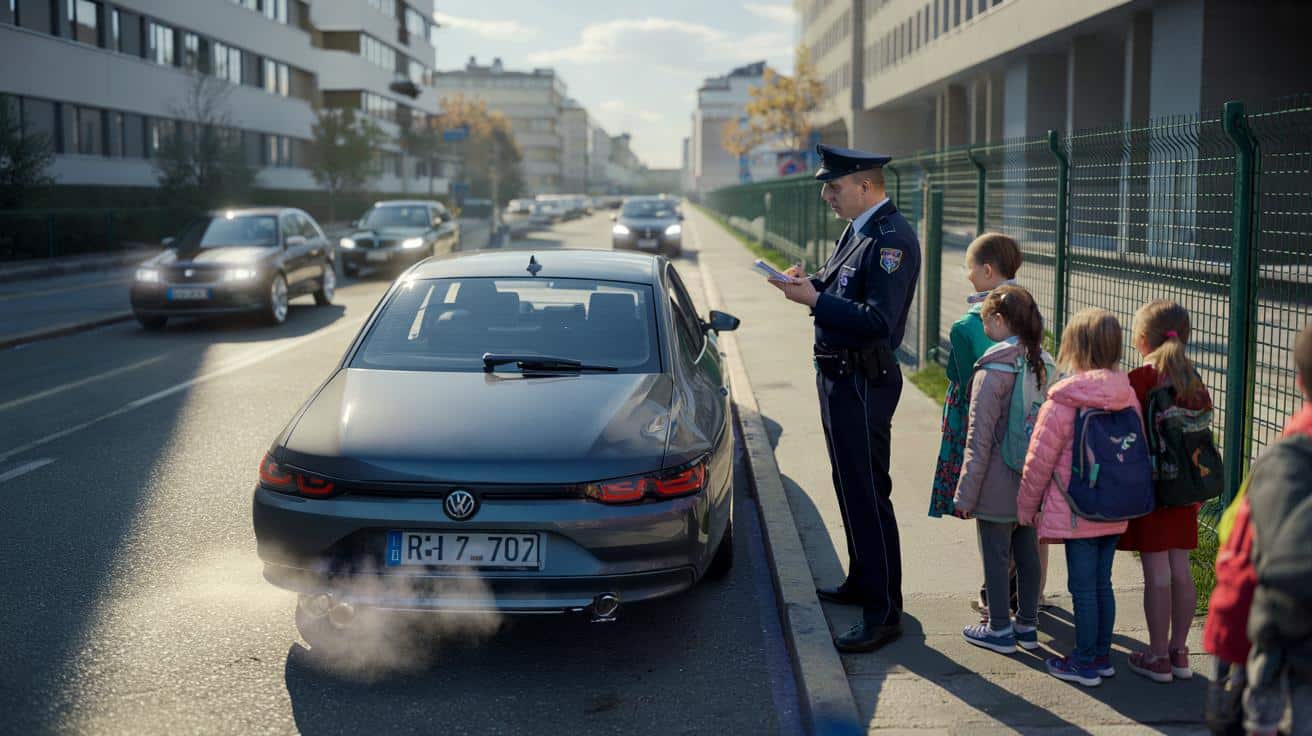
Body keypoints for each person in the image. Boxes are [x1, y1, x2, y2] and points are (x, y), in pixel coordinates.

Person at [770, 143, 921, 653]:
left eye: (833, 187)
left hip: (863, 380)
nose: (827, 196)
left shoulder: (892, 240)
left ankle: (883, 611)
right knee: (848, 484)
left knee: (868, 493)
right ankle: (862, 580)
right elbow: (841, 290)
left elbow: (878, 320)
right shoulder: (857, 230)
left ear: (865, 185)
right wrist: (806, 284)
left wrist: (815, 300)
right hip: (838, 375)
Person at [1017, 308, 1138, 687]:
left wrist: (1027, 506)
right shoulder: (1127, 394)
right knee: (1102, 584)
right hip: (1115, 506)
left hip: (1076, 510)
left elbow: (1038, 461)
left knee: (1082, 589)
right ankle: (1101, 655)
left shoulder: (1064, 400)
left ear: (1073, 346)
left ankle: (1084, 662)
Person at [951, 285, 1049, 655]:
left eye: (984, 320)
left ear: (997, 319)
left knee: (995, 557)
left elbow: (978, 440)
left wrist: (965, 495)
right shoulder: (1041, 364)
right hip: (1032, 479)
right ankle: (1027, 625)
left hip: (995, 482)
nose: (983, 327)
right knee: (1027, 554)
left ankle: (998, 628)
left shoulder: (991, 370)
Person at [1117, 300, 1210, 683]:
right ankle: (1179, 652)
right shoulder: (1193, 380)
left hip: (1151, 490)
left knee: (1156, 573)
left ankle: (1156, 657)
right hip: (1186, 490)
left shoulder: (1138, 379)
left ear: (1141, 339)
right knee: (1181, 570)